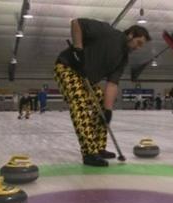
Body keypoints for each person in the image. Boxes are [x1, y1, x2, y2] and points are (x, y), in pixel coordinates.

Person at [54, 18, 151, 167]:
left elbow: (112, 84)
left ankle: (98, 148)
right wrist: (78, 50)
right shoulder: (107, 31)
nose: (138, 48)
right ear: (131, 34)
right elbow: (76, 23)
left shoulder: (123, 59)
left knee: (101, 106)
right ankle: (89, 154)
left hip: (88, 79)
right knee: (81, 105)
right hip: (68, 68)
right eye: (138, 43)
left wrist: (108, 110)